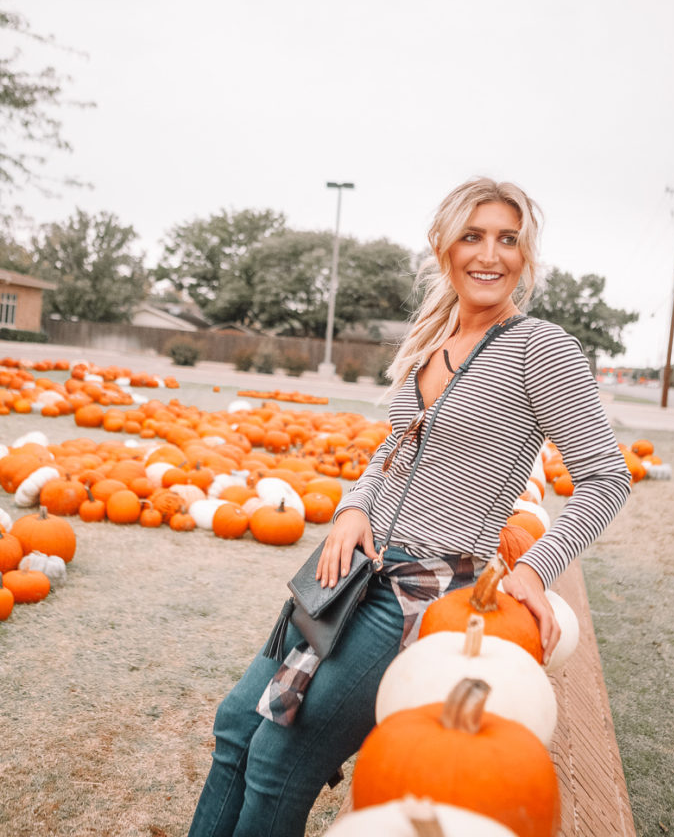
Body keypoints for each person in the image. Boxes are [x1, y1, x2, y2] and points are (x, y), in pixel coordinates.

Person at [188, 177, 631, 837]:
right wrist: (349, 511)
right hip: (346, 573)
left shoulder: (538, 347)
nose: (489, 254)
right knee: (235, 731)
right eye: (472, 236)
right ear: (443, 247)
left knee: (280, 761)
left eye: (507, 239)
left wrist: (533, 568)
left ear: (525, 255)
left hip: (417, 593)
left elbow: (604, 475)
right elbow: (389, 453)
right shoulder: (434, 339)